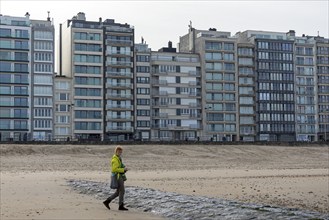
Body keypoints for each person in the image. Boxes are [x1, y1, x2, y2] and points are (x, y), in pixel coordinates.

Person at [103, 146, 129, 211]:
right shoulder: (115, 159)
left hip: (119, 176)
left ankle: (107, 201)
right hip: (118, 177)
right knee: (122, 191)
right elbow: (114, 169)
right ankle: (120, 206)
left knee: (118, 192)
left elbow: (119, 166)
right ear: (116, 151)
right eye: (119, 152)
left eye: (121, 152)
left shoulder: (118, 158)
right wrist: (123, 170)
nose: (120, 153)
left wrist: (124, 168)